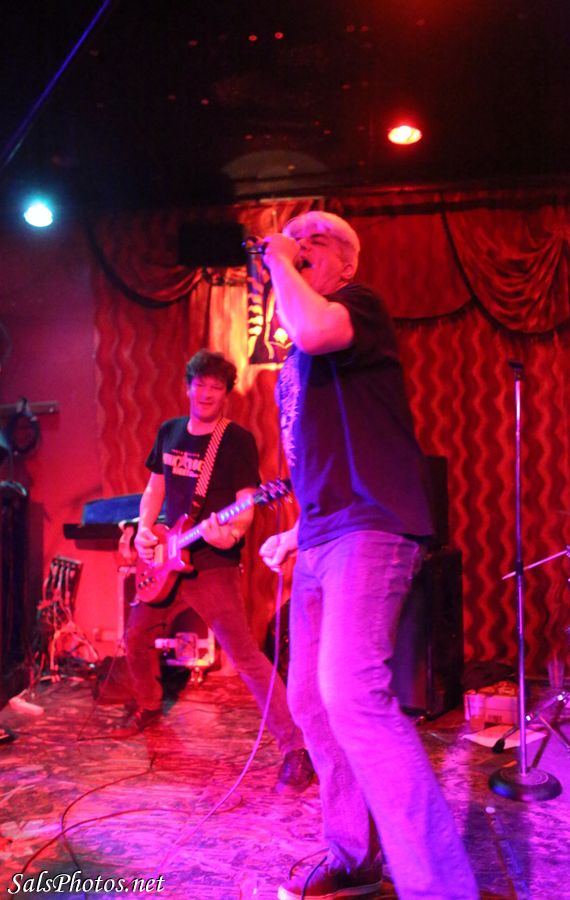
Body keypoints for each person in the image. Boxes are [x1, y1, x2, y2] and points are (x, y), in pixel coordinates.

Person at [259, 213, 479, 899]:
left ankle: (441, 888)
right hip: (322, 535)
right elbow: (319, 461)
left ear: (348, 263)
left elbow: (311, 328)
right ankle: (354, 857)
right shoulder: (296, 362)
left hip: (371, 528)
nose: (300, 244)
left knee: (353, 695)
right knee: (310, 701)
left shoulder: (357, 306)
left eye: (315, 239)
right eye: (293, 236)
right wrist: (295, 532)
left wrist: (277, 257)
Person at [114, 349, 314, 795]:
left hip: (213, 565)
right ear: (188, 386)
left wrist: (232, 533)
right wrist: (145, 529)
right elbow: (154, 490)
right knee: (135, 636)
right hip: (165, 558)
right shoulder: (169, 432)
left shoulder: (236, 440)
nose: (206, 394)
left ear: (226, 394)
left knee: (246, 658)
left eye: (216, 387)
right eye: (200, 384)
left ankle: (295, 749)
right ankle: (148, 705)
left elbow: (246, 504)